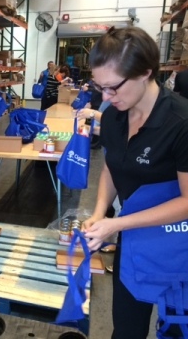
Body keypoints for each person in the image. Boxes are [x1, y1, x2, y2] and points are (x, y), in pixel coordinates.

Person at [81, 26, 188, 338]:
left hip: (178, 244)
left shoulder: (180, 124)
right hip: (133, 239)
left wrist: (116, 226)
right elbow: (112, 168)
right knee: (127, 329)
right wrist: (101, 213)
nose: (106, 96)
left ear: (145, 73)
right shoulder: (114, 116)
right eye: (100, 87)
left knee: (176, 328)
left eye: (113, 87)